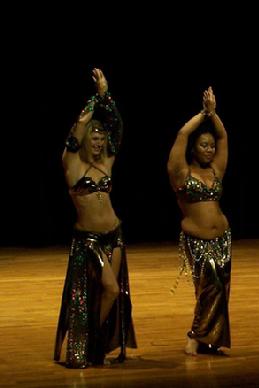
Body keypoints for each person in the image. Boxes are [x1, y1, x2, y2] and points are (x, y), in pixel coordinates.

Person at [54, 68, 137, 368]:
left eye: (102, 138)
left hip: (113, 234)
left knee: (111, 293)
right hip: (87, 239)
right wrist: (90, 109)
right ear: (86, 139)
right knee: (110, 288)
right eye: (95, 137)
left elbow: (118, 126)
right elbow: (74, 137)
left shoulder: (108, 162)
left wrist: (106, 96)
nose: (100, 142)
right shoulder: (71, 164)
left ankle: (95, 342)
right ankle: (89, 341)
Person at [167, 86, 232, 355]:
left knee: (221, 290)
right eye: (204, 145)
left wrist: (214, 114)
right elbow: (182, 133)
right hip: (198, 239)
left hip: (223, 237)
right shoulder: (181, 172)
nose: (209, 149)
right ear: (193, 148)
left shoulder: (216, 170)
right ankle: (195, 336)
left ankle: (211, 339)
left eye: (211, 146)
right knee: (209, 286)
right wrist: (202, 114)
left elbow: (223, 135)